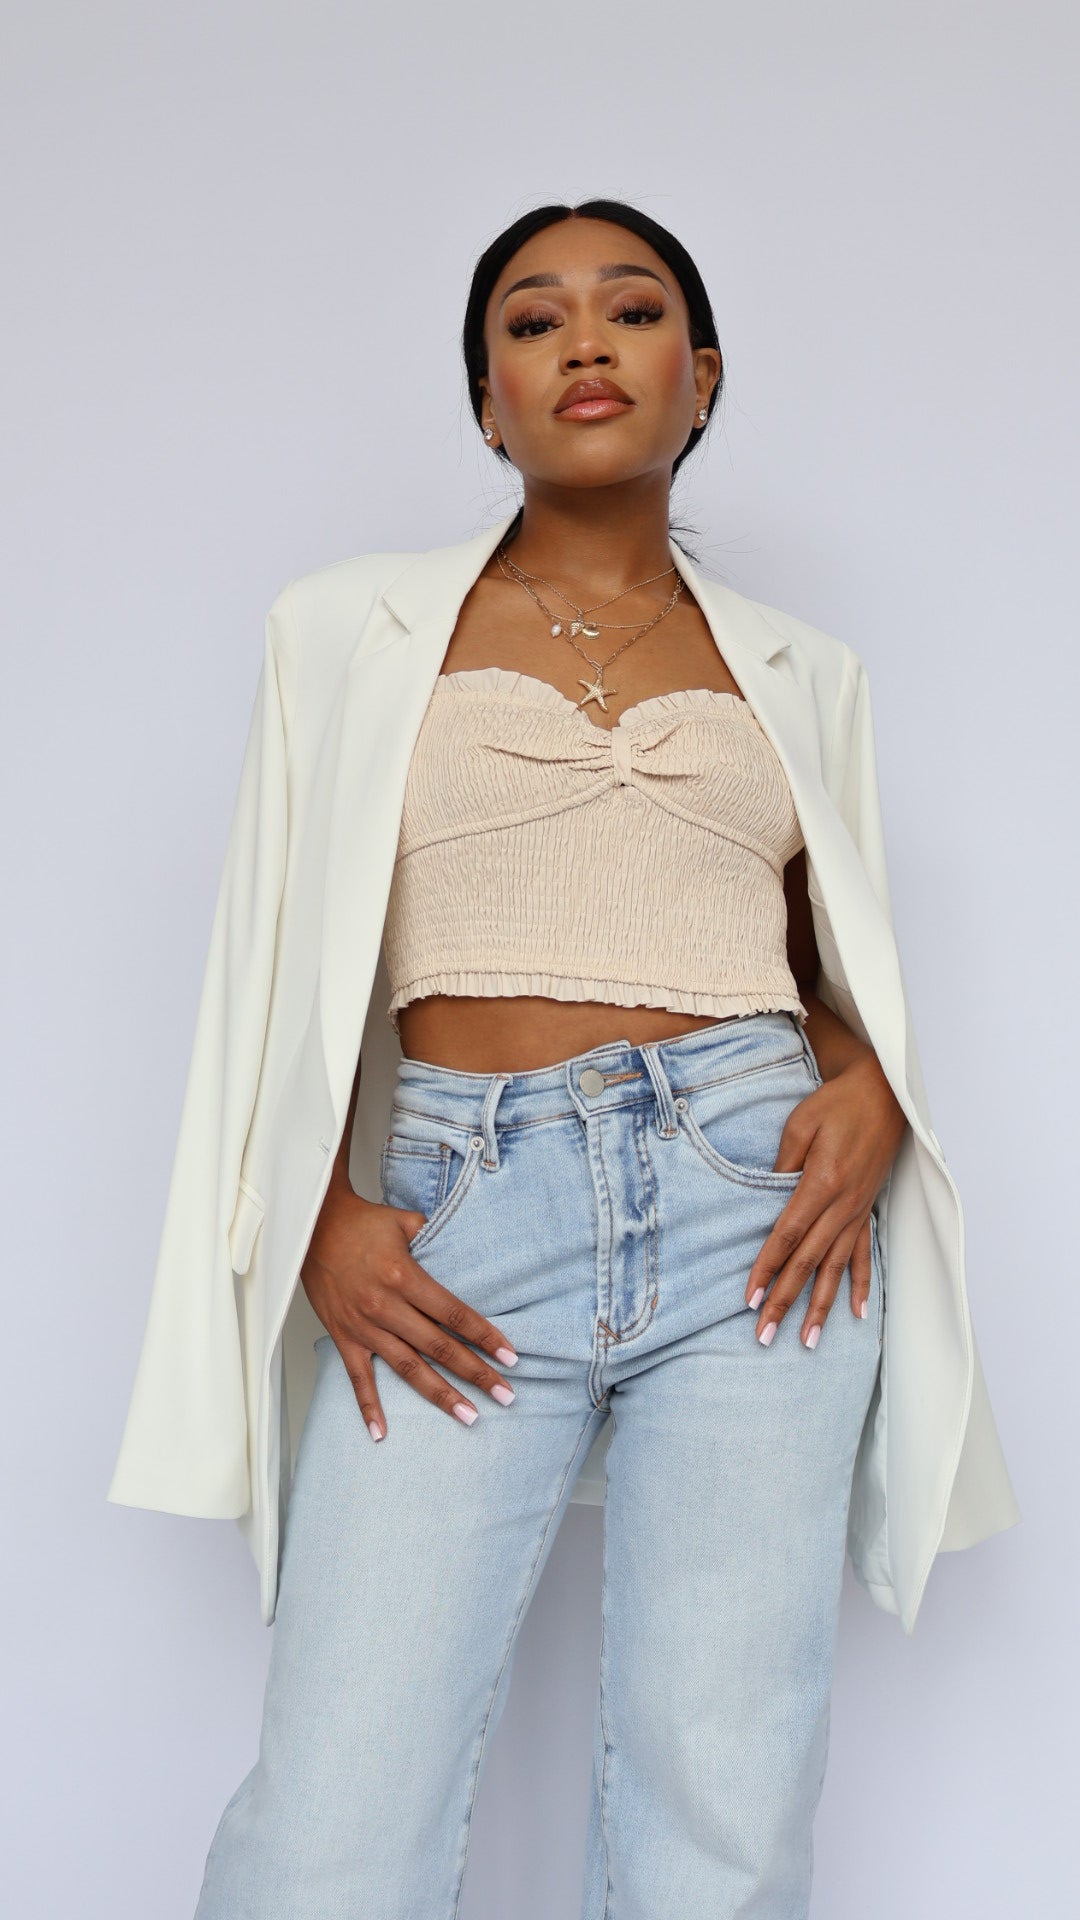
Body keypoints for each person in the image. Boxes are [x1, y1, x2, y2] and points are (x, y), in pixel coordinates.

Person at [108, 198, 1020, 1918]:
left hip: (758, 1217)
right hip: (461, 1211)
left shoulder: (803, 671)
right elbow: (271, 960)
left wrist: (874, 1096)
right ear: (487, 403)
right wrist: (316, 1215)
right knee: (336, 1810)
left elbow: (817, 969)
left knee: (721, 1797)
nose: (584, 342)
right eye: (532, 323)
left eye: (632, 310)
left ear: (703, 377)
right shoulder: (349, 627)